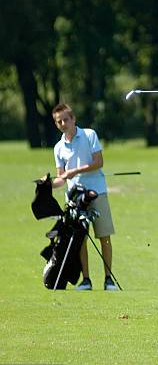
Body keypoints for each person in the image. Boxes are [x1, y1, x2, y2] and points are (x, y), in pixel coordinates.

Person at [50, 103, 118, 291]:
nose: (63, 123)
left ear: (73, 119)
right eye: (59, 121)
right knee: (80, 240)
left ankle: (108, 280)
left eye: (66, 119)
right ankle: (86, 280)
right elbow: (61, 177)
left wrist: (74, 171)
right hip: (74, 198)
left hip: (97, 192)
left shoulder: (89, 135)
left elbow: (98, 162)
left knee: (104, 236)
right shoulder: (58, 148)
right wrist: (48, 184)